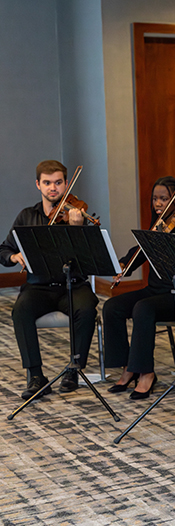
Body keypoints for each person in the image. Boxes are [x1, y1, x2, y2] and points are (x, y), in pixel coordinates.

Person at [0, 160, 99, 399]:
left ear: (66, 184)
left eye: (57, 183)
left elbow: (92, 256)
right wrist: (15, 256)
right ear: (38, 185)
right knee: (20, 311)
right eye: (47, 183)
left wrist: (78, 229)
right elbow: (3, 251)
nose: (52, 188)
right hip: (39, 287)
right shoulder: (26, 216)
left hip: (73, 285)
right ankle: (37, 376)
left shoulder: (77, 215)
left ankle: (74, 370)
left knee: (87, 308)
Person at [103, 176, 175, 400]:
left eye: (164, 198)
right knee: (112, 306)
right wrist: (124, 265)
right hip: (157, 290)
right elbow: (142, 250)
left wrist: (158, 239)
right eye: (155, 198)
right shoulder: (160, 225)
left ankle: (146, 373)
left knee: (143, 308)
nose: (158, 203)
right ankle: (129, 366)